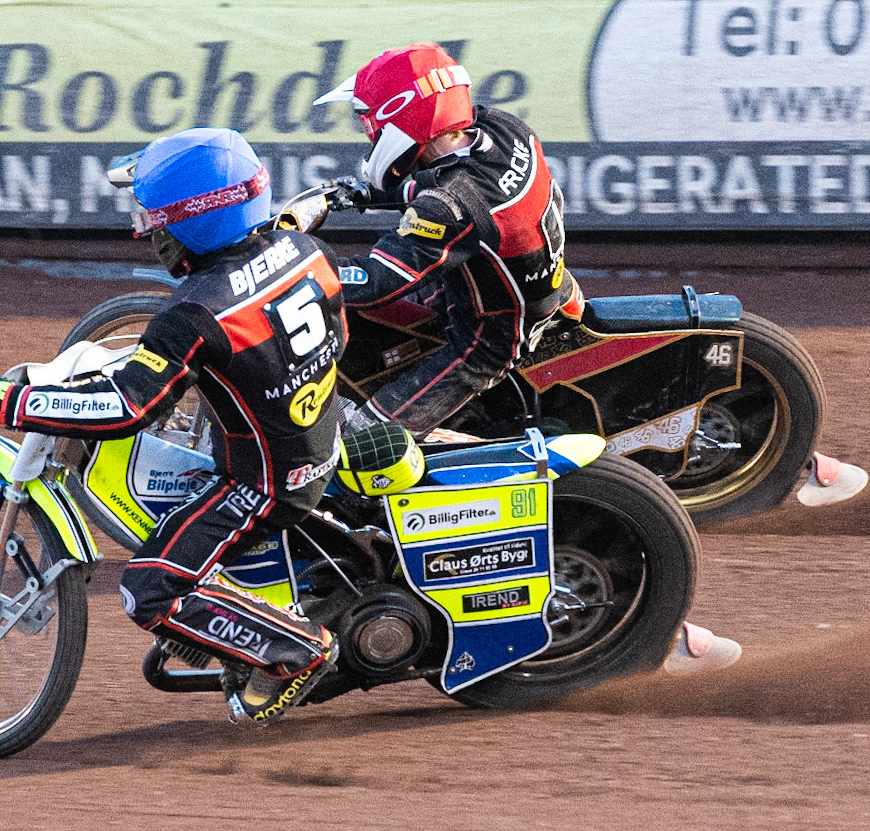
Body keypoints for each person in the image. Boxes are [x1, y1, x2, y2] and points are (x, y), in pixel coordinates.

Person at [314, 43, 741, 675]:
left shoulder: (450, 203)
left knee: (359, 446)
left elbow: (380, 278)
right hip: (528, 281)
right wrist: (351, 194)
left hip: (487, 332)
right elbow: (417, 183)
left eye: (368, 116)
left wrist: (294, 273)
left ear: (402, 118)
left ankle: (387, 559)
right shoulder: (495, 129)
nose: (363, 128)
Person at [0, 127, 344, 725]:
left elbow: (127, 408)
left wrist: (19, 403)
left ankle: (294, 650)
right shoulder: (305, 251)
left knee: (146, 588)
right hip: (325, 434)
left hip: (266, 483)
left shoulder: (192, 312)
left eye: (155, 216)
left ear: (194, 221)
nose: (144, 229)